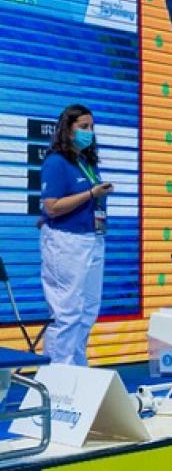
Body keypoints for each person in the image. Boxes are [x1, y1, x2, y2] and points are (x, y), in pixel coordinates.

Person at [38, 103, 113, 365]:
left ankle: (77, 372)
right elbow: (52, 206)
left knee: (88, 311)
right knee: (67, 313)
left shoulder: (85, 162)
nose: (89, 132)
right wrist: (92, 193)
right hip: (67, 242)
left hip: (92, 239)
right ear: (68, 130)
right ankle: (57, 378)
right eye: (83, 127)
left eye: (91, 127)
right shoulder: (56, 162)